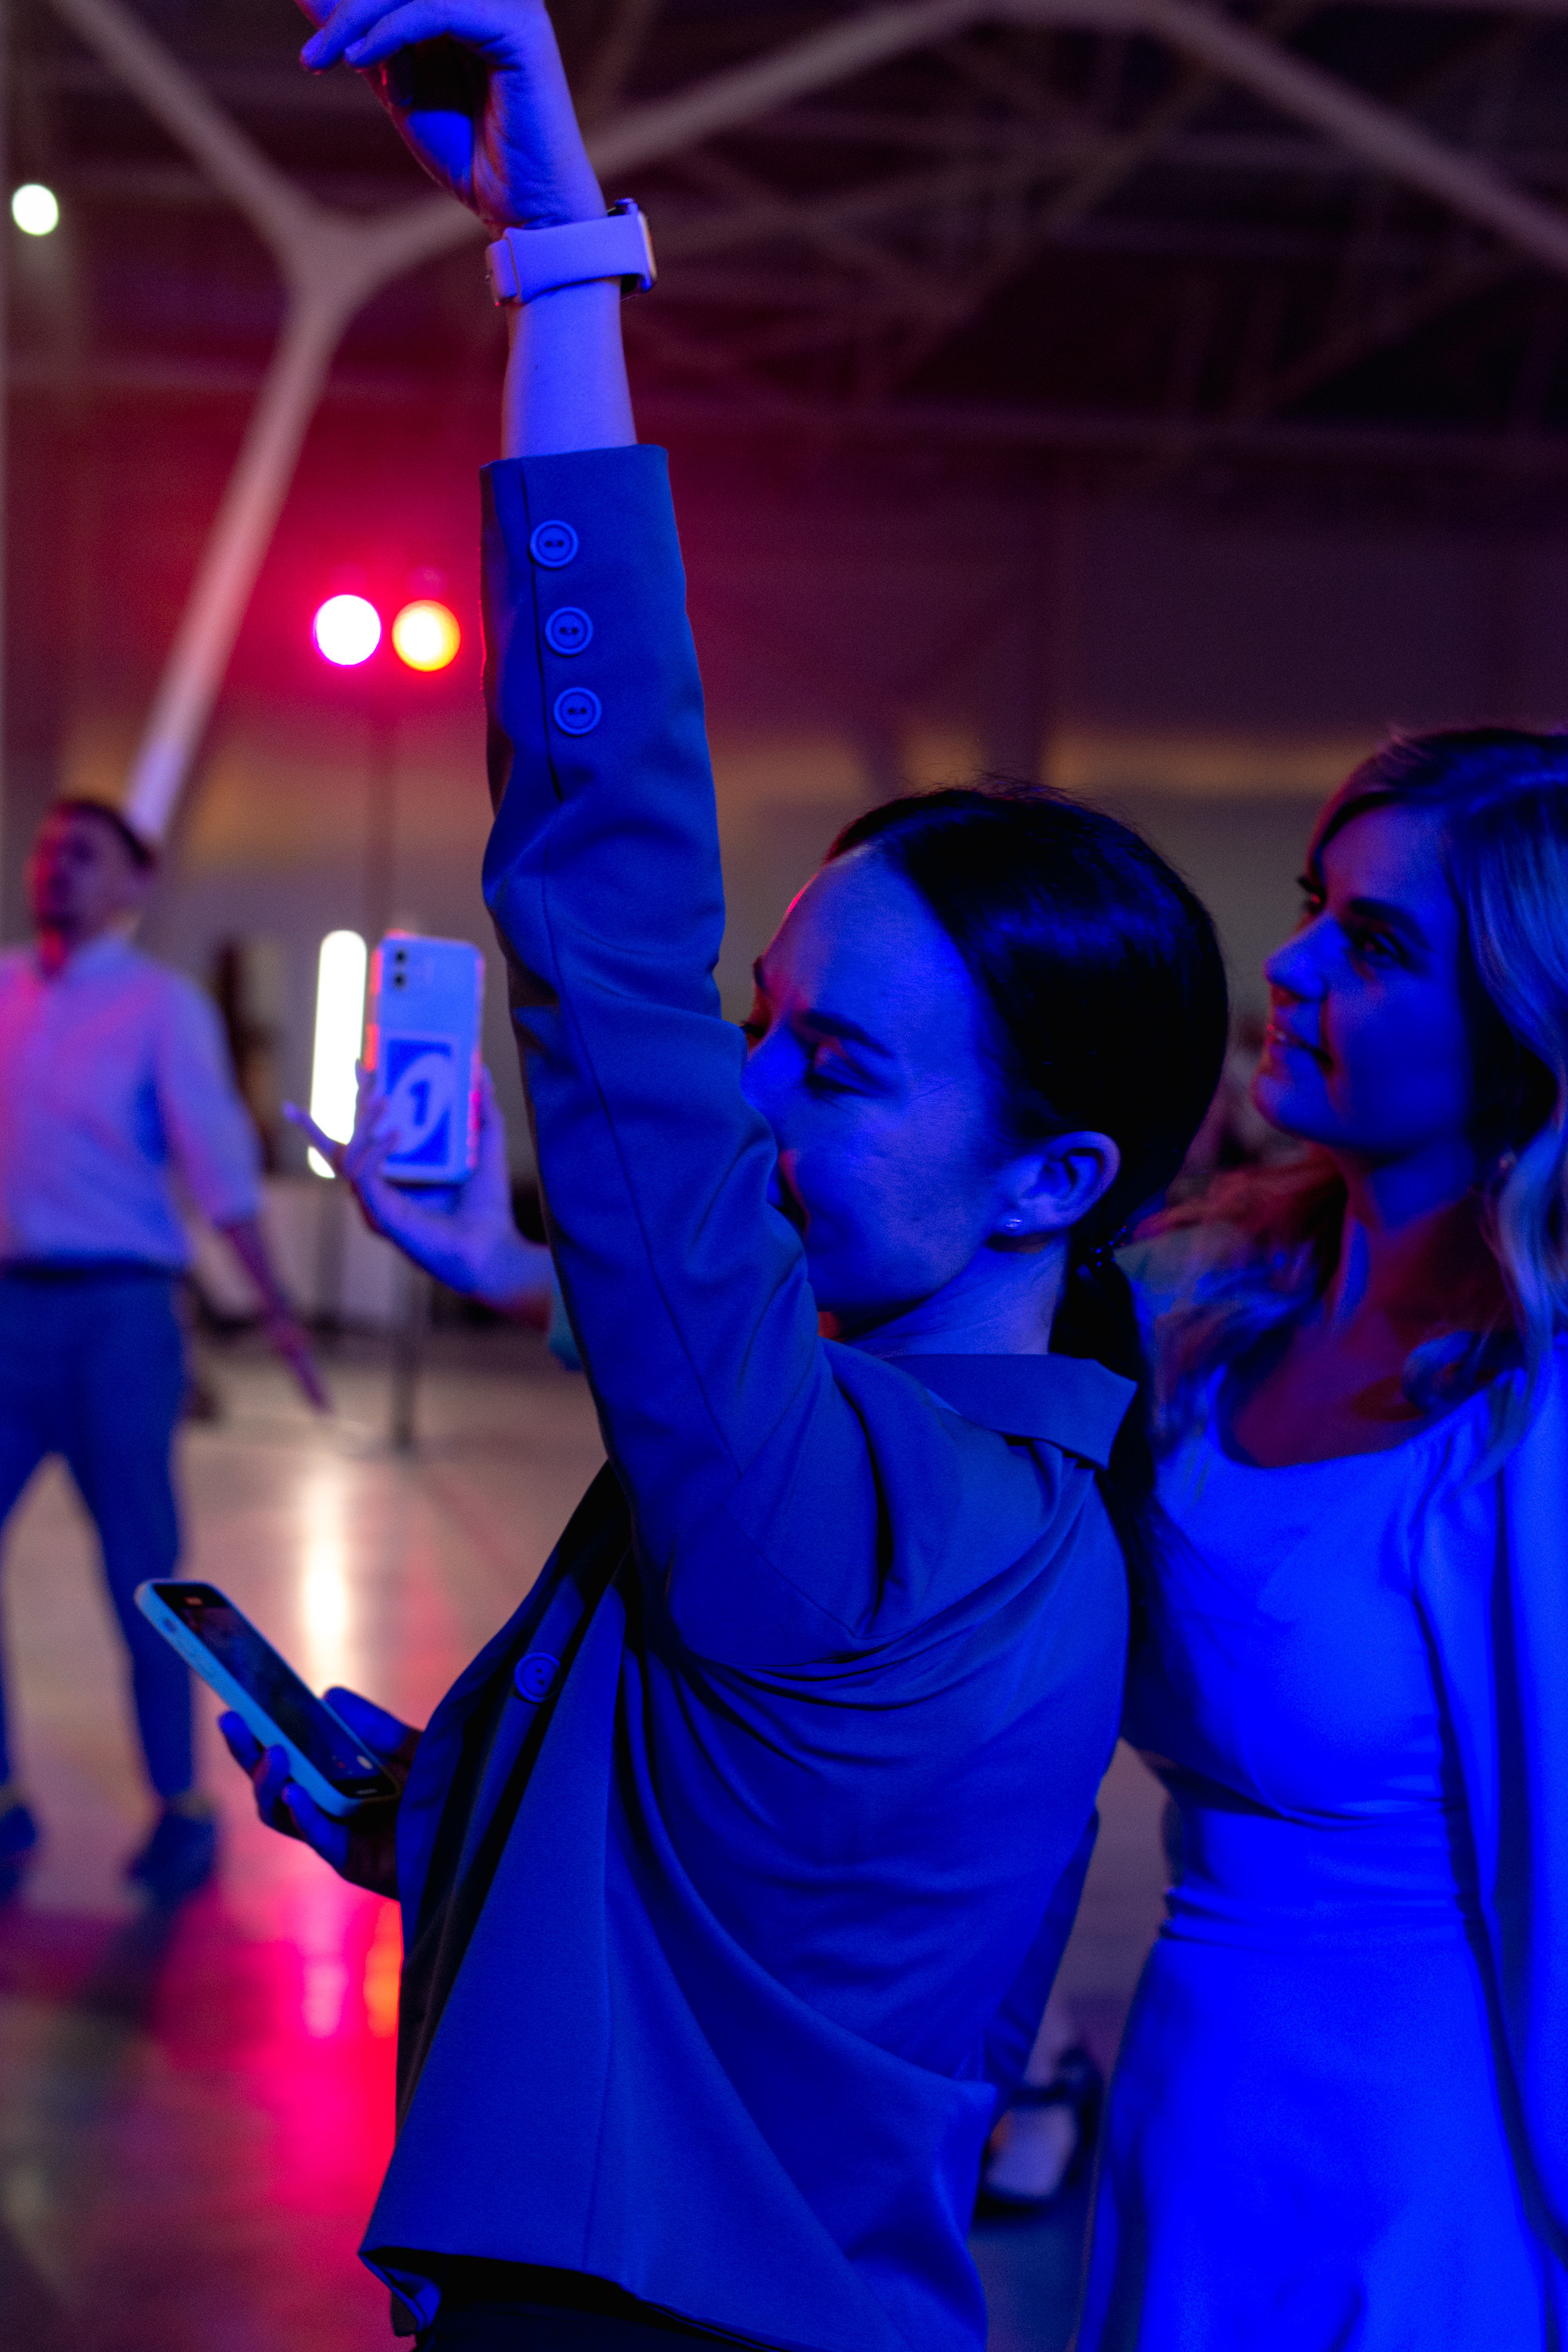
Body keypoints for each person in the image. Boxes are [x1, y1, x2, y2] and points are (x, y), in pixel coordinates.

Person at [224, 4, 1228, 2344]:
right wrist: (450, 1803)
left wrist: (567, 265)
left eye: (834, 1066)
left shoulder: (850, 1503)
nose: (751, 1100)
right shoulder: (1035, 1513)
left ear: (1049, 1177)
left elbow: (602, 897)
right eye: (755, 1021)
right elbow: (777, 1914)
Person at [1077, 729, 1568, 2347]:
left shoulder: (1529, 1422)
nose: (1287, 968)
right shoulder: (1214, 1302)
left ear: (1523, 1024)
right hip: (1193, 2106)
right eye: (1311, 907)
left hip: (1421, 2179)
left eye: (1377, 945)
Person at [0, 798, 325, 1907]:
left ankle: (182, 1805)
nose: (59, 867)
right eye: (49, 848)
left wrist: (280, 1316)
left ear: (131, 886)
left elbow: (220, 1174)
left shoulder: (160, 1009)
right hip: (12, 1311)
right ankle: (2, 1799)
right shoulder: (5, 991)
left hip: (123, 1319)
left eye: (84, 854)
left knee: (142, 1570)